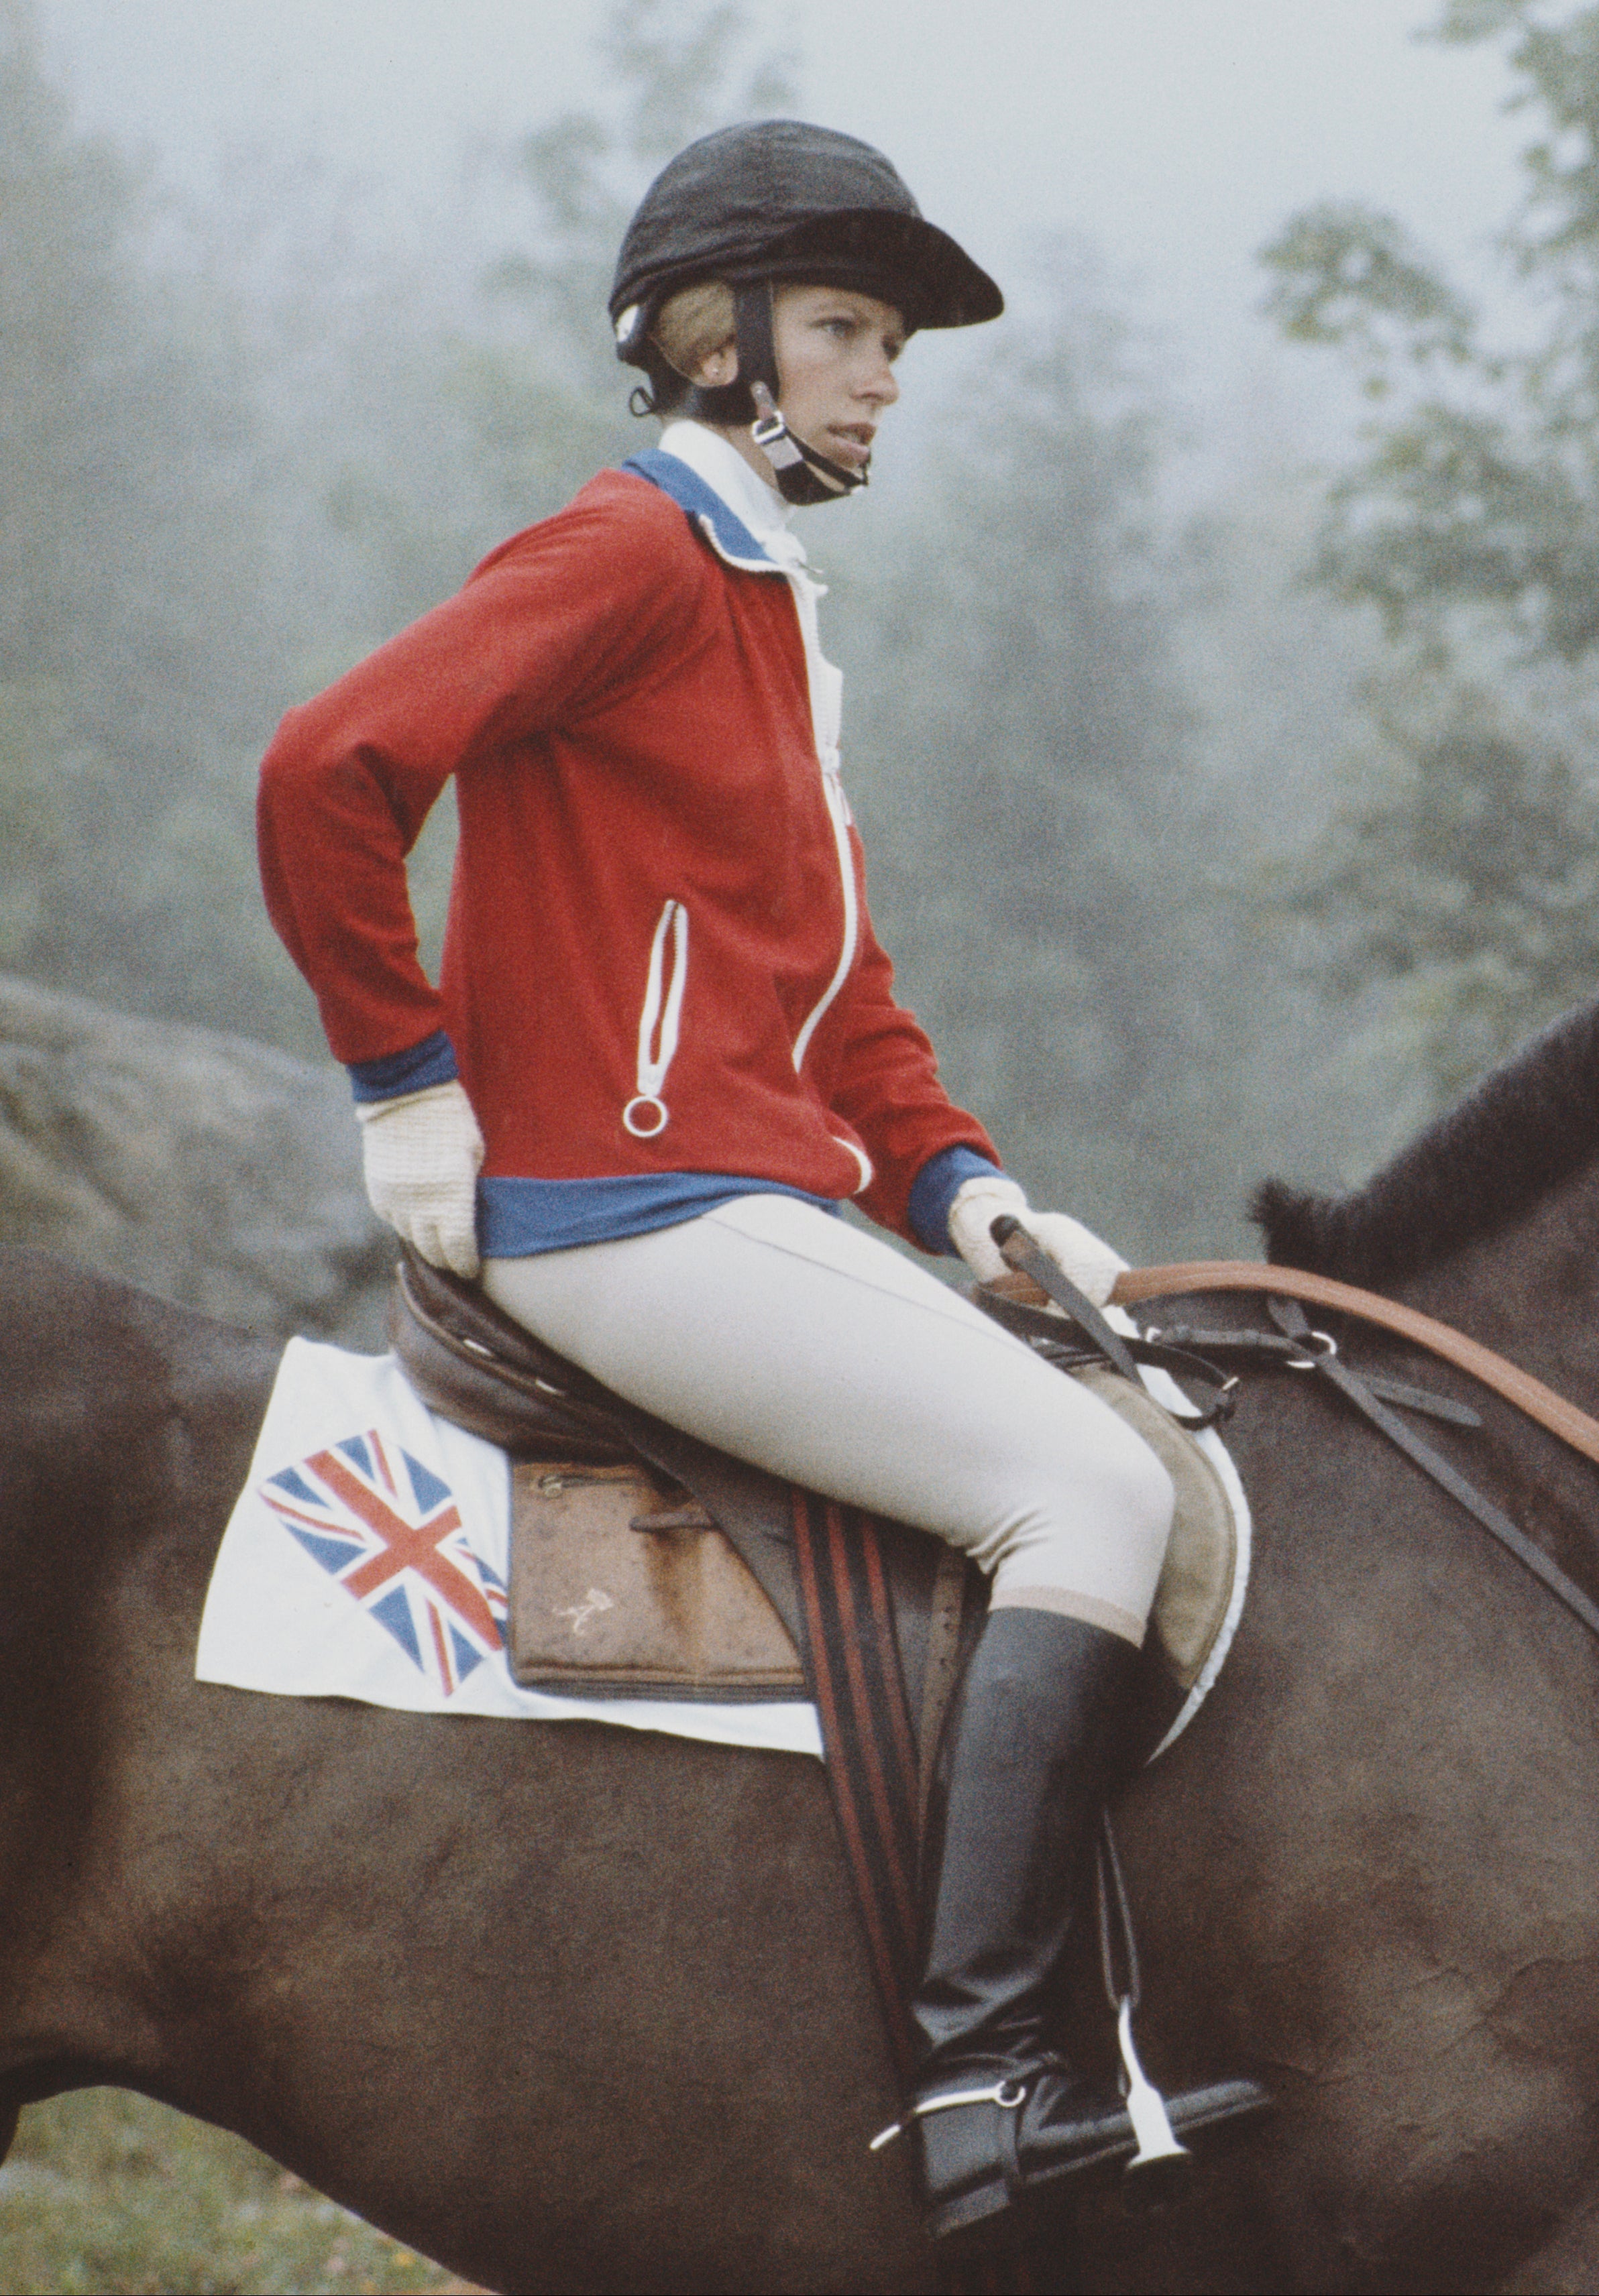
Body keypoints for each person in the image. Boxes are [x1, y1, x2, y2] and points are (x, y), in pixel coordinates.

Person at [254, 119, 1266, 2240]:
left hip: (763, 1205)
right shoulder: (627, 555)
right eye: (842, 329)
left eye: (888, 341)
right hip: (625, 1219)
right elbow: (326, 768)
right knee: (1089, 1493)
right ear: (702, 342)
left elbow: (841, 1000)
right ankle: (987, 2073)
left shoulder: (760, 607)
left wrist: (964, 1187)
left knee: (1141, 1423)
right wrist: (405, 1084)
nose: (883, 375)